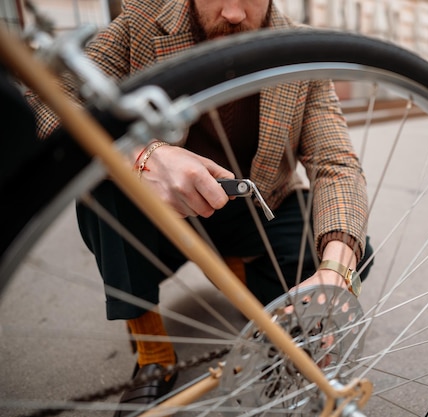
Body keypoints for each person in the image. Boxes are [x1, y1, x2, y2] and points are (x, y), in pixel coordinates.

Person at [26, 0, 372, 414]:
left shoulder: (302, 47)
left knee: (351, 249)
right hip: (156, 214)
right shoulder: (141, 19)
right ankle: (154, 354)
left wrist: (335, 269)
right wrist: (143, 156)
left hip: (255, 209)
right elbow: (45, 100)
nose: (233, 14)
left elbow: (336, 162)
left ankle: (234, 266)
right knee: (102, 175)